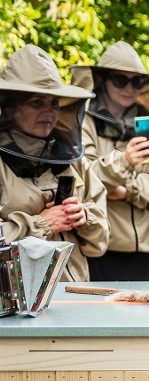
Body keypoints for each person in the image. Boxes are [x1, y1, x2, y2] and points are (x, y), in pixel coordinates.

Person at [71, 42, 149, 281]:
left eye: (137, 81)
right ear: (103, 80)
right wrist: (125, 161)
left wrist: (126, 190)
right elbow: (84, 180)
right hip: (103, 250)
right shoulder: (83, 124)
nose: (130, 87)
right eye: (121, 80)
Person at [0, 45, 109, 281]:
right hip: (17, 304)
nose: (49, 112)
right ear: (10, 106)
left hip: (74, 296)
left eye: (54, 103)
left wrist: (84, 217)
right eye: (37, 102)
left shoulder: (73, 159)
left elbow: (98, 243)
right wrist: (41, 224)